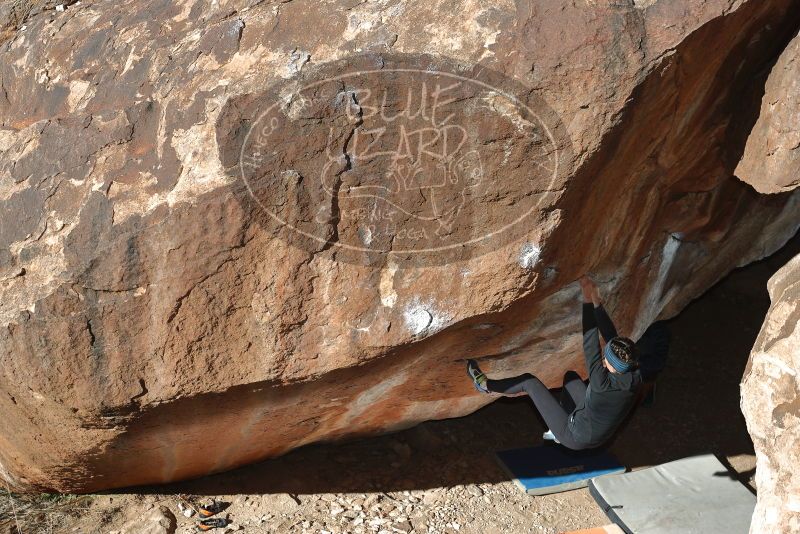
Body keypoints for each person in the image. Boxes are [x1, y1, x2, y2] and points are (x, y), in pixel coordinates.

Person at [466, 277, 642, 450]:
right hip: (600, 433)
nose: (603, 359)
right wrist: (596, 301)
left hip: (575, 438)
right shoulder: (634, 373)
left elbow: (590, 340)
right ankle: (565, 418)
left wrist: (587, 299)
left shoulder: (600, 381)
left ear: (612, 364)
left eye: (605, 358)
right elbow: (611, 335)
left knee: (529, 382)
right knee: (571, 378)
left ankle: (484, 384)